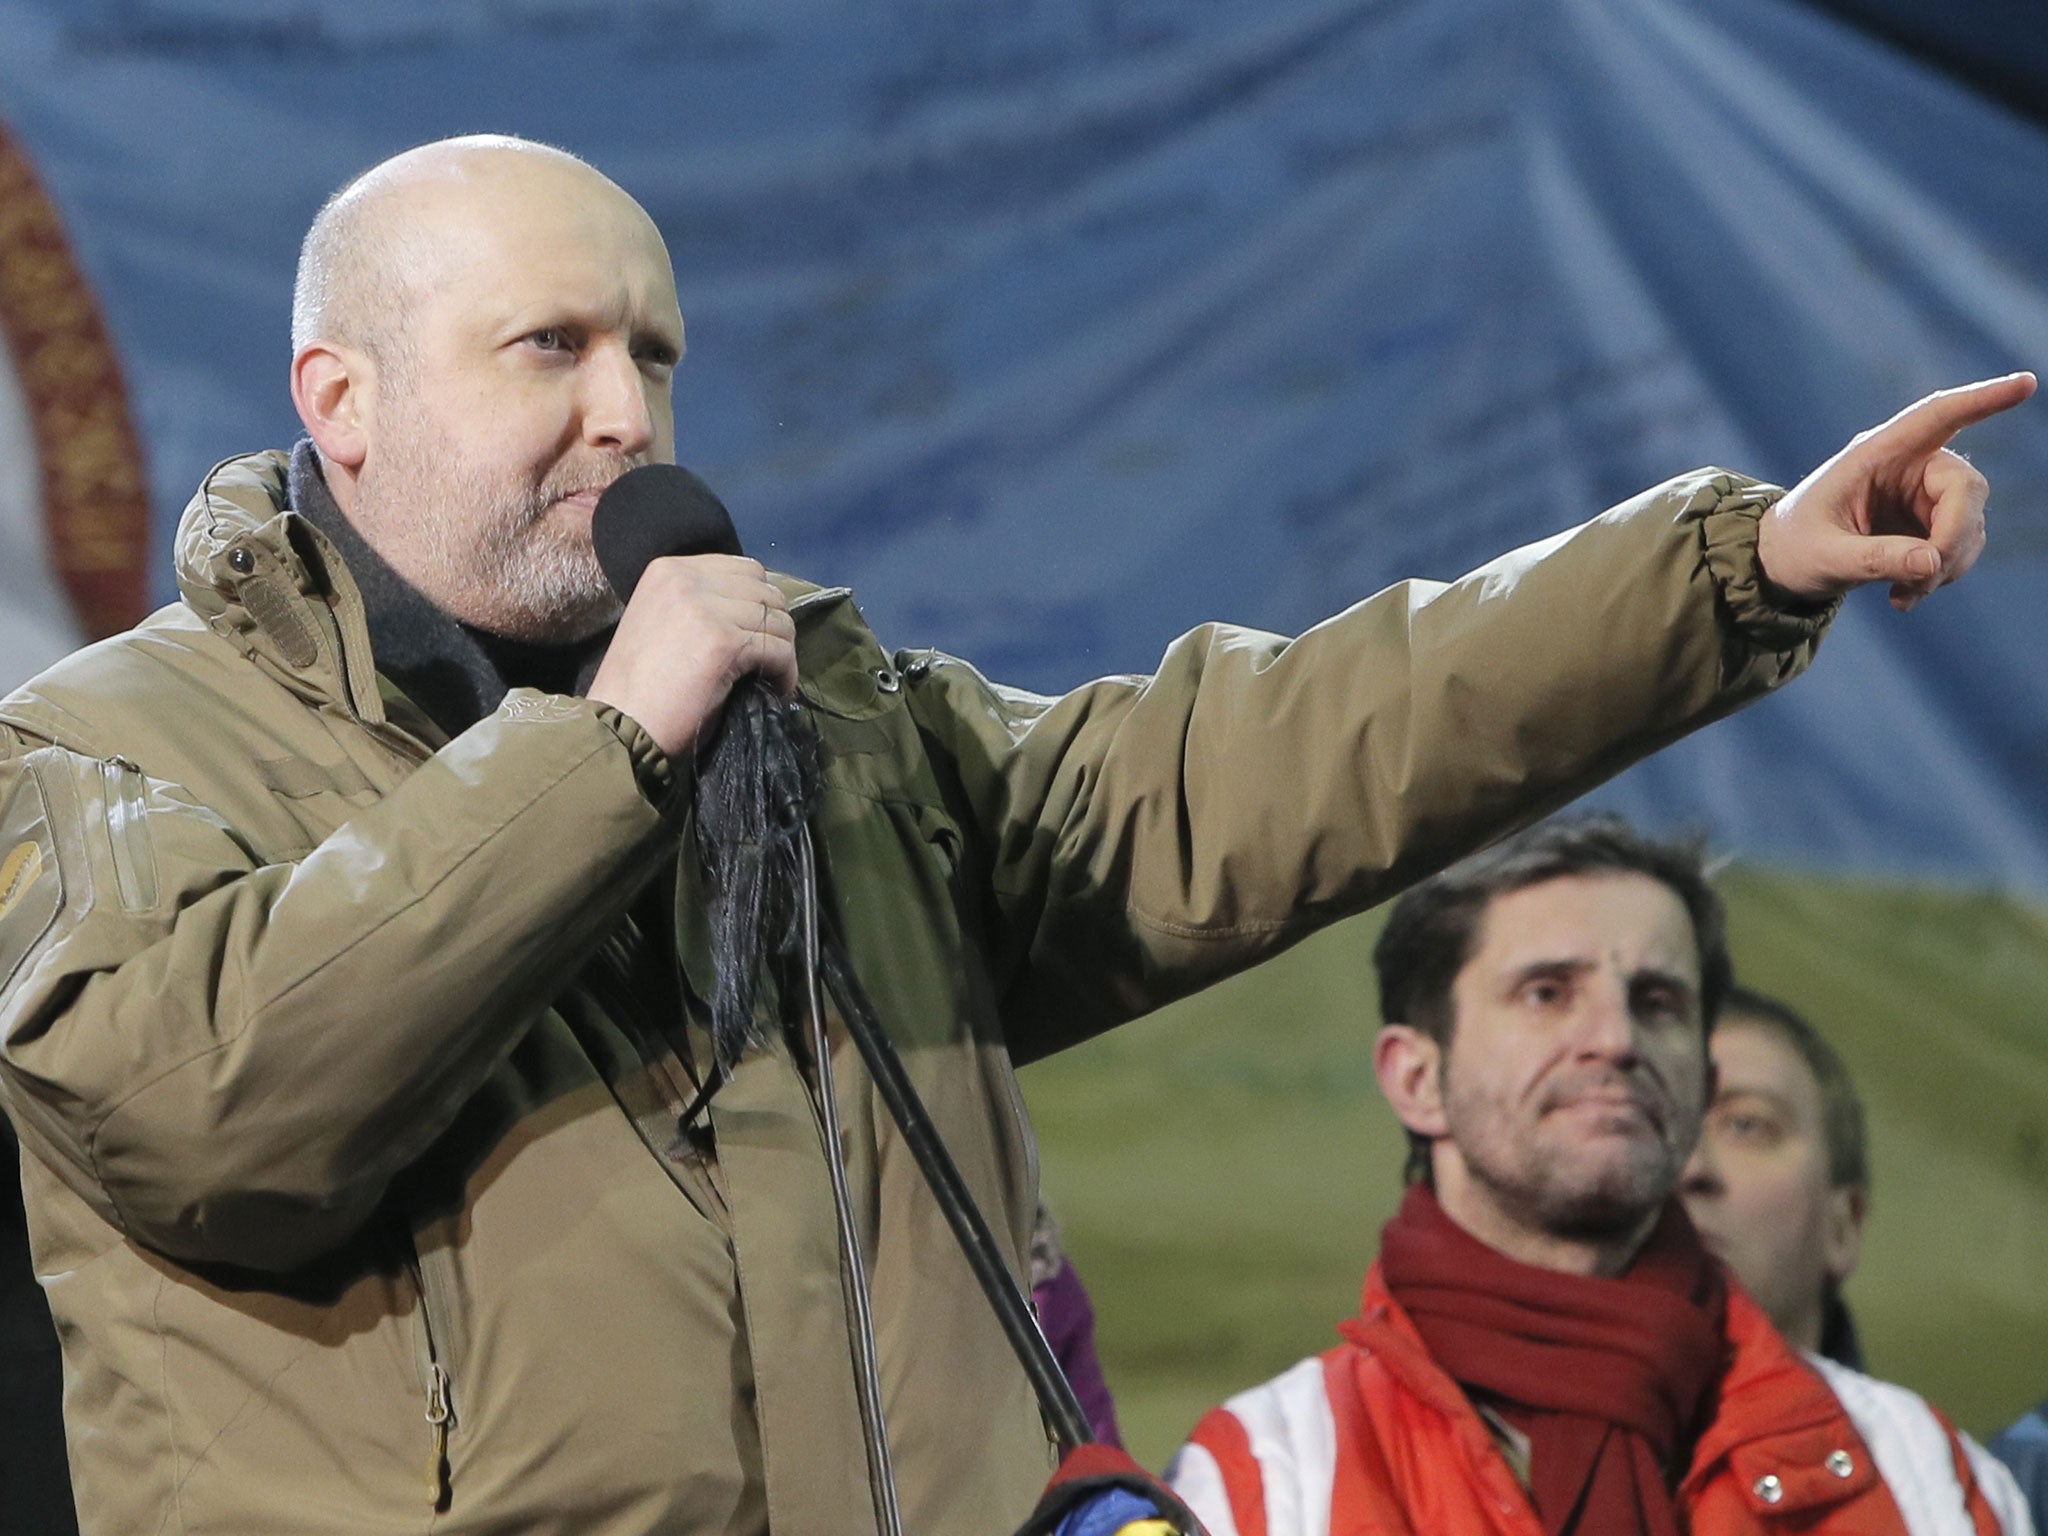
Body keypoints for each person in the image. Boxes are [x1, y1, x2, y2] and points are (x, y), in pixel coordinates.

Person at [0, 132, 2028, 1536]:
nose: (629, 412)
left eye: (655, 354)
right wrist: (606, 749)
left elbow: (1266, 753)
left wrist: (1725, 569)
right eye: (551, 348)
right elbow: (212, 1120)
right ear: (339, 399)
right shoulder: (106, 750)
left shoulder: (823, 728)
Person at [1168, 817, 2025, 1536]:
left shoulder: (1928, 1481)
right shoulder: (1264, 1483)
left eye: (1658, 1002)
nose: (1616, 1039)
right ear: (1417, 1079)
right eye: (1547, 993)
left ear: (1701, 1080)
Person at [1683, 987, 2032, 1533]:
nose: (1689, 1167)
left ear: (1842, 1226)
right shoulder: (1508, 1446)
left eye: (1746, 1124)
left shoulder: (1941, 1490)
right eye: (1657, 1120)